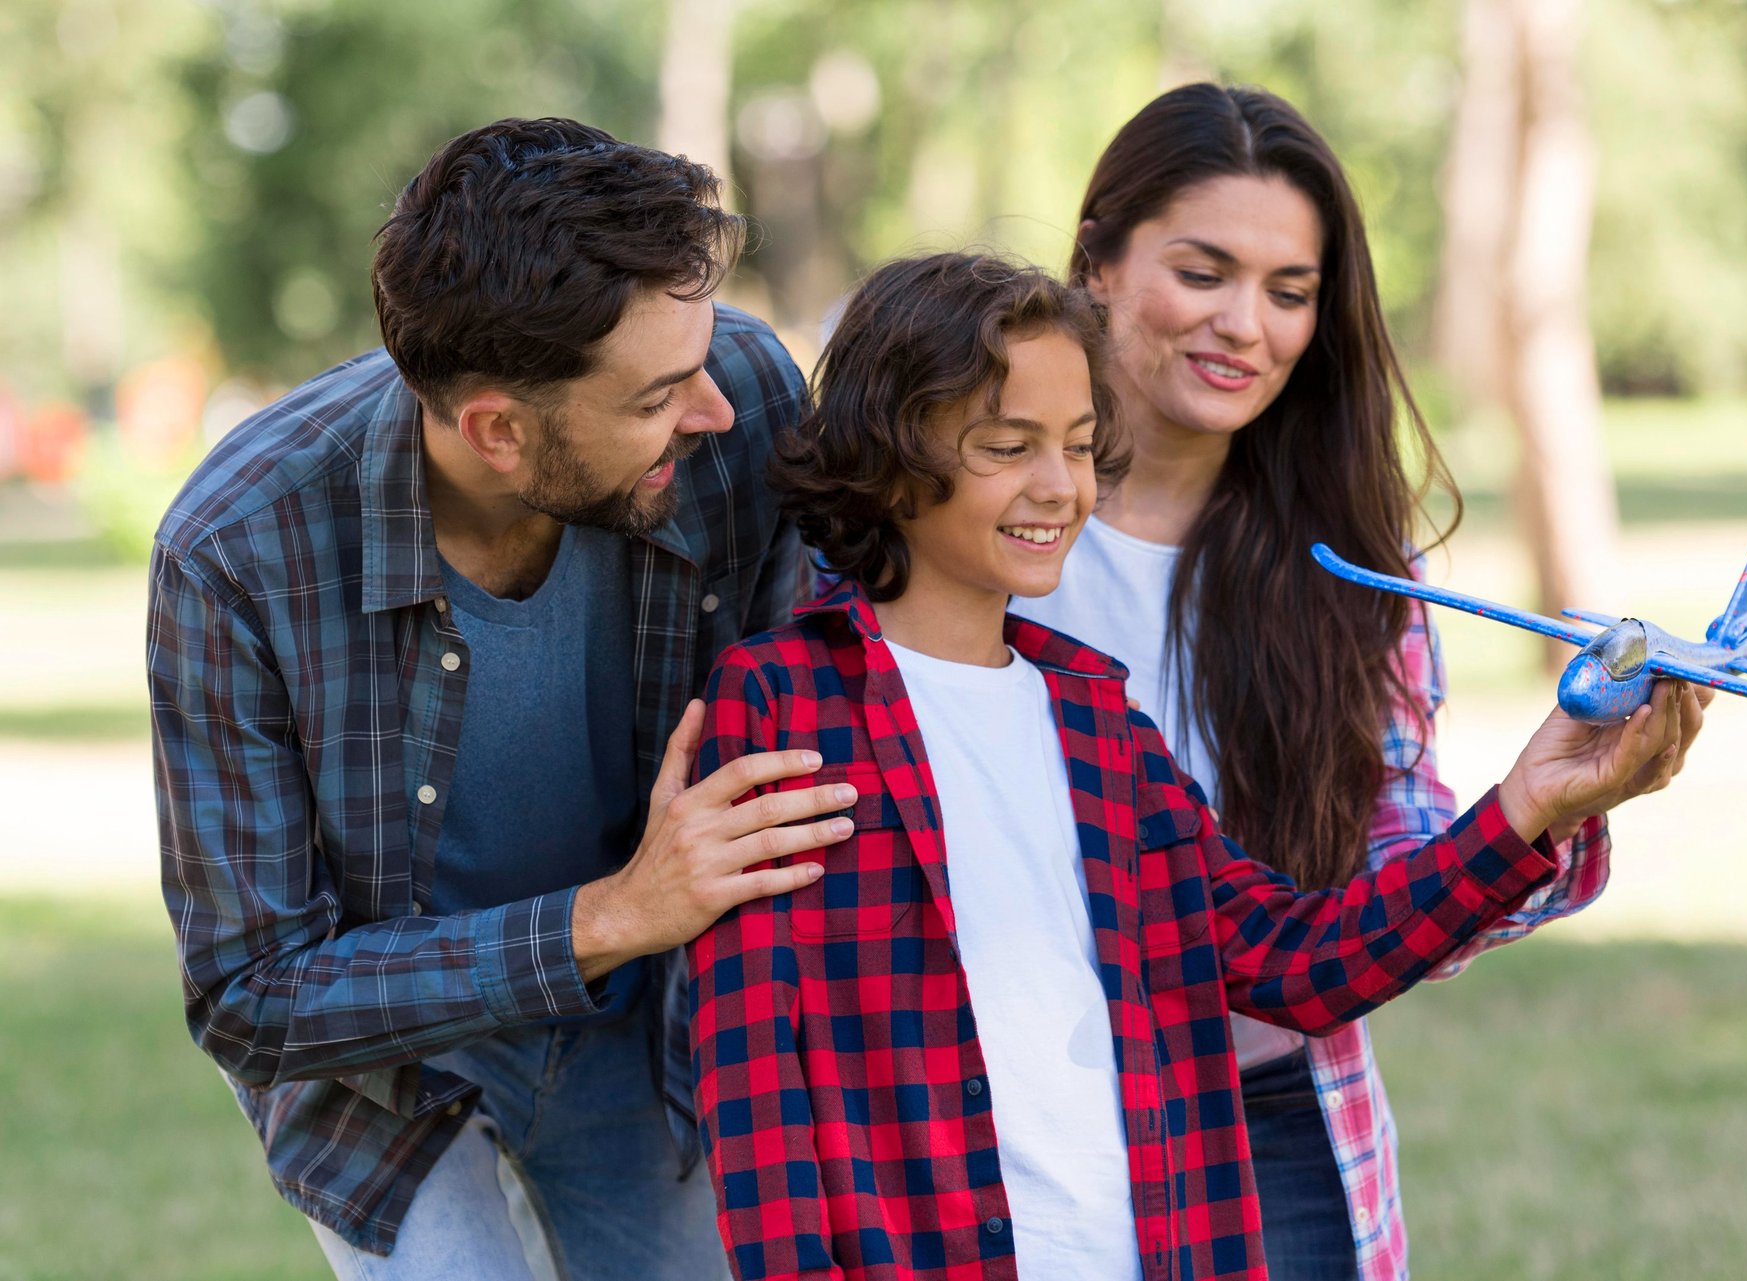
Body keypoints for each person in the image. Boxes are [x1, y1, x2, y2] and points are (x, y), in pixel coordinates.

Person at [686, 252, 1689, 1280]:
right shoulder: (781, 705)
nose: (1057, 486)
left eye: (1078, 446)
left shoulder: (1096, 719)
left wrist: (1532, 802)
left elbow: (1299, 963)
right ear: (888, 459)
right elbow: (757, 1084)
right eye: (1006, 446)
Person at [1011, 83, 1712, 1281]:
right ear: (1097, 262)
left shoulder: (1350, 578)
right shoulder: (964, 519)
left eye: (1290, 293)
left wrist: (1539, 815)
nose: (1247, 325)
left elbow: (1387, 898)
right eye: (1203, 271)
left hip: (1267, 1122)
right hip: (998, 1124)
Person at [146, 117, 854, 1281]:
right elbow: (250, 996)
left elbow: (845, 664)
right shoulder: (236, 554)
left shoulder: (739, 396)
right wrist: (614, 914)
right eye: (658, 396)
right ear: (498, 431)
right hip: (386, 1072)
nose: (715, 411)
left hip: (644, 1027)